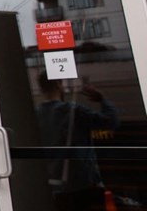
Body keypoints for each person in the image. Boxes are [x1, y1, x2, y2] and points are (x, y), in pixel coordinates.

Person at [36, 75, 119, 211]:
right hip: (82, 184)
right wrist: (103, 100)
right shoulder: (72, 110)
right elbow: (111, 121)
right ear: (59, 84)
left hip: (55, 185)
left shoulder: (36, 114)